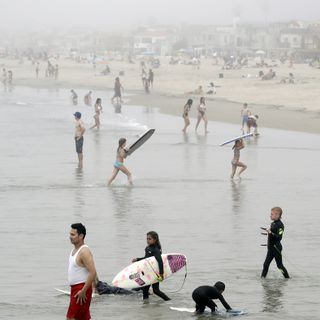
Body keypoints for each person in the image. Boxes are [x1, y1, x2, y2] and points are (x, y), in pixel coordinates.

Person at [67, 223, 97, 320]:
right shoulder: (74, 250)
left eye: (73, 235)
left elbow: (93, 272)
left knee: (71, 317)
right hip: (76, 289)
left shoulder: (84, 251)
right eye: (70, 234)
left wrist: (84, 291)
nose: (70, 237)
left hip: (81, 289)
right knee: (83, 318)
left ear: (81, 236)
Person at [132, 231, 170, 301]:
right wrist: (137, 259)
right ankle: (146, 305)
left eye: (149, 239)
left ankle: (169, 300)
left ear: (154, 240)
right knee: (145, 290)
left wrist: (161, 274)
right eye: (147, 239)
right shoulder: (148, 248)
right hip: (148, 272)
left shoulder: (156, 250)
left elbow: (160, 262)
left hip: (155, 273)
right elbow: (146, 258)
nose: (147, 240)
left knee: (156, 291)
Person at [261, 207, 290, 279]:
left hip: (276, 249)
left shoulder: (280, 225)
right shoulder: (273, 223)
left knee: (279, 266)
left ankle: (287, 278)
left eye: (272, 214)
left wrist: (271, 233)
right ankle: (262, 279)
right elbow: (272, 236)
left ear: (277, 215)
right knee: (265, 264)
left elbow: (279, 238)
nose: (270, 215)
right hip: (271, 249)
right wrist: (268, 234)